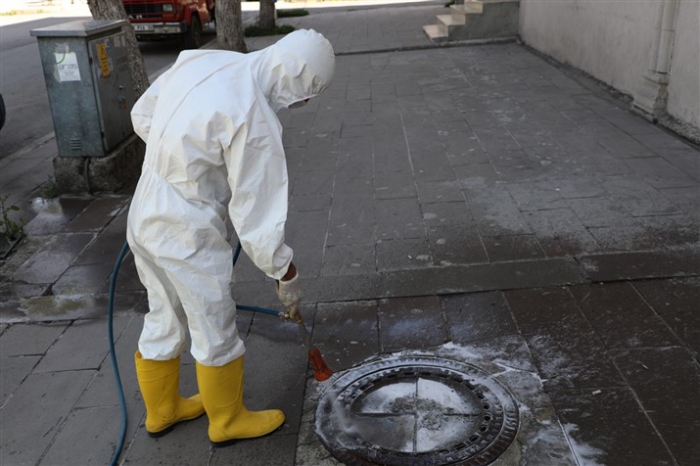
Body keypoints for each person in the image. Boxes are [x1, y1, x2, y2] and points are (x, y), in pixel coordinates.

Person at [125, 29, 335, 445]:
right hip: (185, 227)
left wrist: (182, 164)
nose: (303, 104)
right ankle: (227, 420)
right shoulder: (253, 115)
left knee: (163, 311)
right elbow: (258, 216)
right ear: (295, 78)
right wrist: (285, 273)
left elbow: (142, 114)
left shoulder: (207, 60)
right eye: (307, 95)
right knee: (213, 320)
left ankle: (162, 410)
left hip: (145, 206)